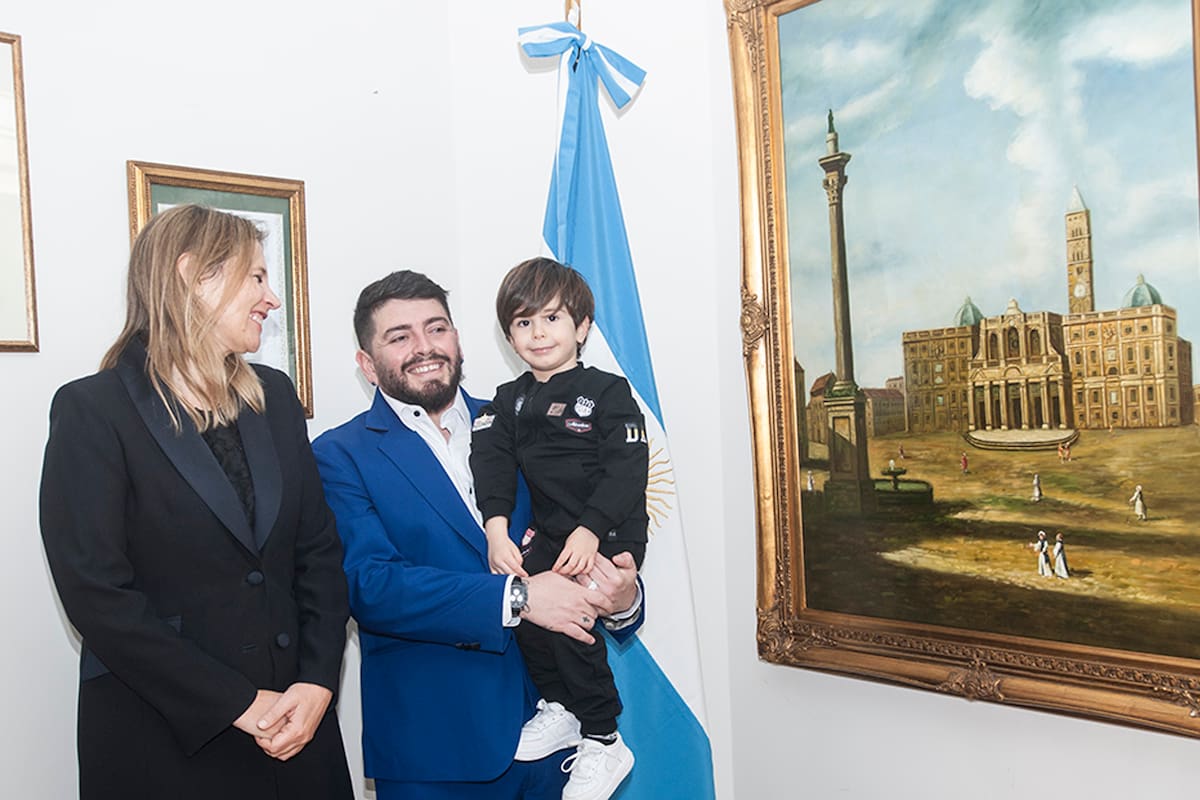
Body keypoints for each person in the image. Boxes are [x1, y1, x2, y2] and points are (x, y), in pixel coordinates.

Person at [39, 205, 353, 800]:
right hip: (163, 739)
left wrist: (317, 683)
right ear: (192, 275)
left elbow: (318, 554)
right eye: (257, 277)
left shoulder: (276, 398)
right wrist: (235, 702)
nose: (272, 298)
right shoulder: (93, 411)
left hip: (297, 730)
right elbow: (96, 593)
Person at [311, 270, 643, 800]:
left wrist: (623, 598)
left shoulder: (523, 416)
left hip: (560, 743)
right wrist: (519, 598)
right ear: (367, 366)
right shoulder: (338, 454)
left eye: (437, 328)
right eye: (399, 337)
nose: (425, 347)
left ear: (459, 338)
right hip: (436, 752)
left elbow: (588, 529)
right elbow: (371, 588)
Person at [471, 258, 646, 800]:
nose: (538, 332)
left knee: (571, 629)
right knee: (525, 613)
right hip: (547, 535)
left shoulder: (609, 391)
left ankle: (605, 737)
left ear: (583, 327)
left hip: (607, 533)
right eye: (524, 323)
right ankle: (564, 710)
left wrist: (592, 530)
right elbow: (492, 465)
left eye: (552, 318)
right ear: (509, 336)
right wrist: (497, 533)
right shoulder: (508, 400)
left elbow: (625, 471)